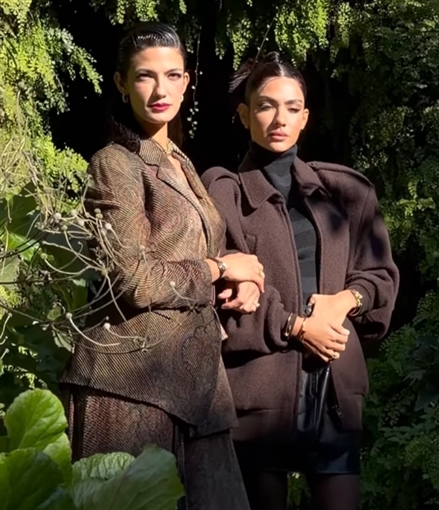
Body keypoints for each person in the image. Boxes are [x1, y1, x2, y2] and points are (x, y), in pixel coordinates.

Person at [61, 22, 265, 510]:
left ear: (187, 81)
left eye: (172, 75)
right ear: (121, 83)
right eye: (145, 76)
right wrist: (218, 269)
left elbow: (186, 256)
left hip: (199, 387)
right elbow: (134, 278)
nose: (160, 90)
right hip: (129, 383)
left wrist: (237, 281)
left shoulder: (179, 160)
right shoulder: (114, 163)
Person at [202, 52, 399, 510]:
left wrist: (345, 300)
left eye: (292, 108)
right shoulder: (222, 194)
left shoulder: (346, 191)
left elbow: (381, 277)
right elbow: (219, 296)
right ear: (245, 114)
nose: (280, 119)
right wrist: (296, 325)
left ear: (305, 117)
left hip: (333, 395)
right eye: (266, 106)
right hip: (257, 396)